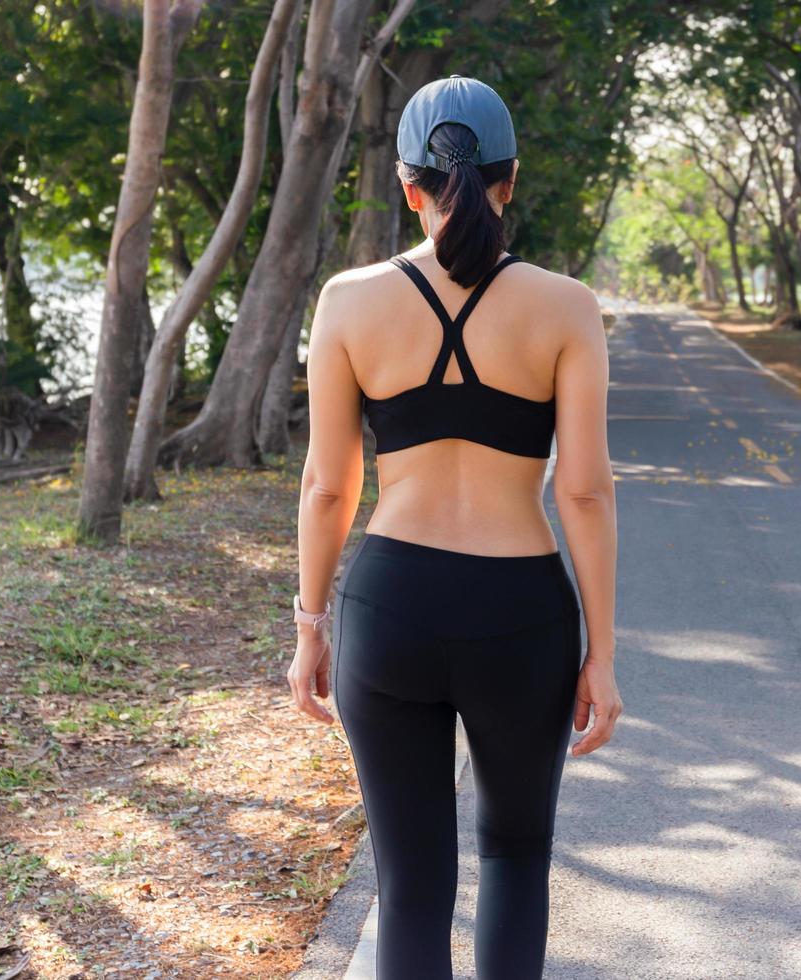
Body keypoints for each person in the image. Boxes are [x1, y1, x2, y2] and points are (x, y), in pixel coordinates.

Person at [284, 75, 621, 979]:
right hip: (520, 614)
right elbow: (584, 493)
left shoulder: (350, 302)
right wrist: (603, 652)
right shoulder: (565, 308)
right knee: (515, 857)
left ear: (408, 186)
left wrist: (311, 627)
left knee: (412, 885)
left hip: (391, 608)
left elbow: (328, 485)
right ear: (510, 181)